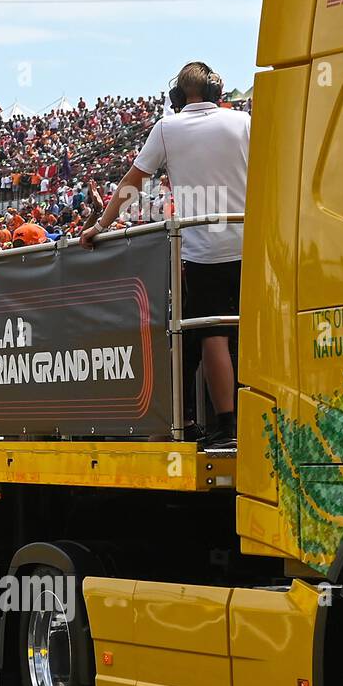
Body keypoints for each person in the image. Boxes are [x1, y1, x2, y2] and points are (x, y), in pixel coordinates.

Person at [81, 61, 249, 449]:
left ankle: (227, 426)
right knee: (224, 332)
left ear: (177, 97)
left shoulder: (167, 128)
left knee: (212, 333)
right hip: (249, 240)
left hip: (204, 248)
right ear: (215, 92)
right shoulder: (242, 122)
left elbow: (133, 183)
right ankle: (212, 418)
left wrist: (100, 226)